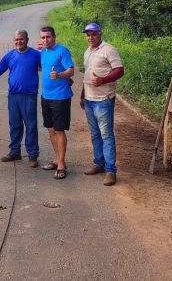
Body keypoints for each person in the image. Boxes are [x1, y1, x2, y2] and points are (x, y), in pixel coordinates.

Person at [0, 30, 41, 167]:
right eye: (16, 39)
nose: (19, 42)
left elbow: (48, 67)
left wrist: (64, 79)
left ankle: (33, 154)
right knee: (14, 124)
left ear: (27, 39)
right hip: (13, 96)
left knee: (31, 125)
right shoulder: (10, 55)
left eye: (21, 39)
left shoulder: (36, 55)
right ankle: (15, 151)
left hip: (29, 96)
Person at [81, 23, 124, 186]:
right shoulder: (87, 52)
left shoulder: (109, 49)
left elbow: (120, 70)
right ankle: (98, 163)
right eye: (88, 35)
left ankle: (110, 170)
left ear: (100, 34)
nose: (90, 37)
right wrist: (82, 95)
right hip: (89, 100)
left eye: (93, 34)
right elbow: (87, 74)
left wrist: (103, 80)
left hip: (104, 99)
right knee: (94, 134)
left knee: (106, 135)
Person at [39, 26, 74, 180]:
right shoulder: (43, 52)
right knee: (51, 130)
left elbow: (71, 70)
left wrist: (60, 75)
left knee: (59, 131)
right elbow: (44, 68)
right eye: (43, 37)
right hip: (46, 96)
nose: (45, 40)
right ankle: (57, 159)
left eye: (48, 37)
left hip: (60, 97)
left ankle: (61, 164)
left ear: (54, 37)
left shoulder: (62, 51)